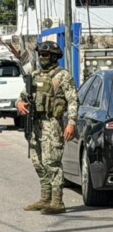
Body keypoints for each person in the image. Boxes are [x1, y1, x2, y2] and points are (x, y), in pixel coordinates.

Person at [16, 41, 79, 214]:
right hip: (35, 123)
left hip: (52, 124)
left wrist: (71, 123)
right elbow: (21, 97)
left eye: (45, 55)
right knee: (38, 162)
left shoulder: (63, 76)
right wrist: (19, 104)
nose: (42, 58)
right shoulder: (34, 76)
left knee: (52, 162)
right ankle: (45, 198)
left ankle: (57, 201)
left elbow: (73, 100)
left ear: (53, 56)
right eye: (41, 55)